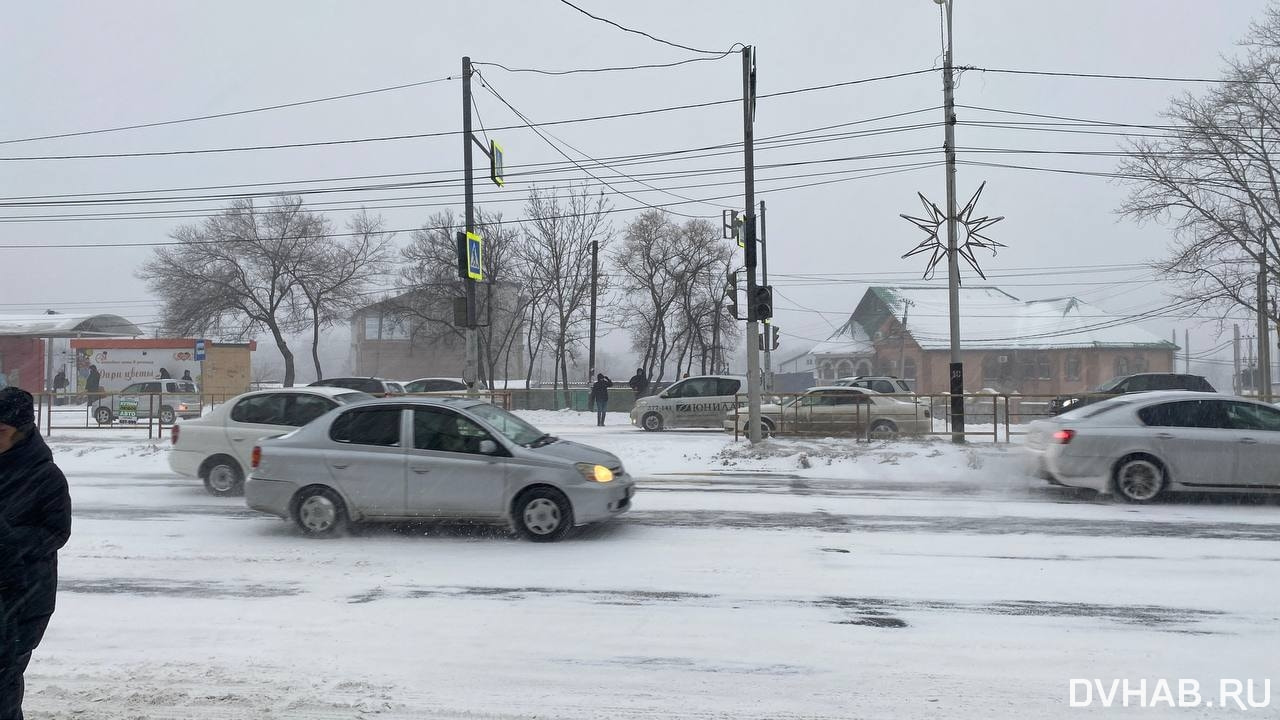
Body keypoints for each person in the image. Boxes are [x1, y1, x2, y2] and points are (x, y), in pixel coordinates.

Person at [0, 387, 72, 719]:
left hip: (24, 597)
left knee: (3, 685)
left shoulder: (46, 477)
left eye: (1, 431)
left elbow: (57, 532)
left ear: (22, 431)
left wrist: (8, 538)